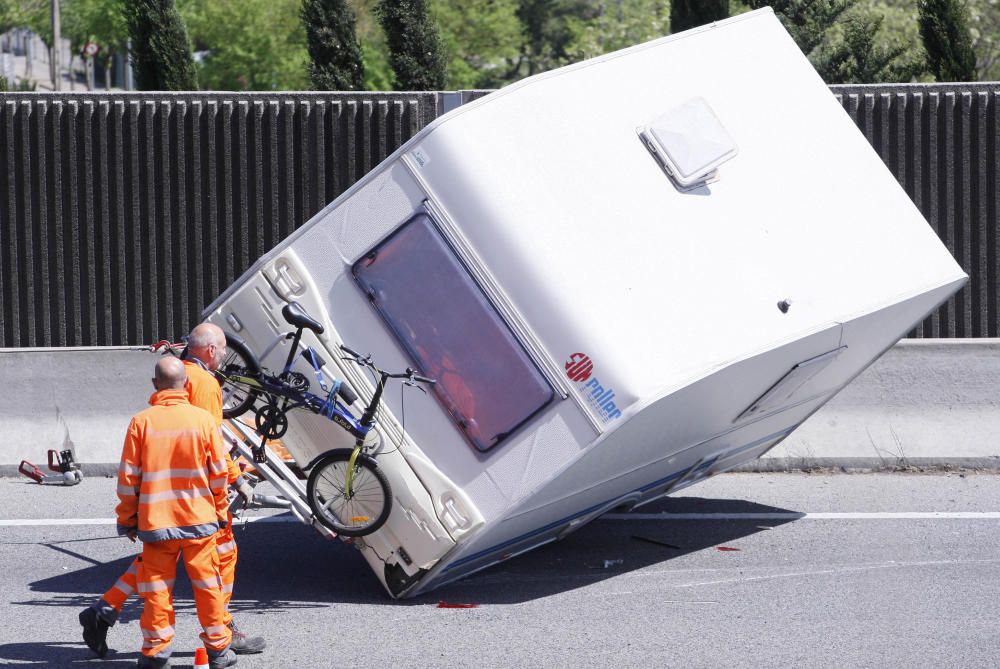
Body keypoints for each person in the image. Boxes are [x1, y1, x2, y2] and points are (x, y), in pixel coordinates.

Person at [80, 324, 266, 657]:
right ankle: (221, 636)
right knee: (219, 563)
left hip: (161, 504)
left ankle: (106, 612)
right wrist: (235, 479)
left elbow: (130, 475)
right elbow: (216, 444)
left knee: (154, 564)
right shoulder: (207, 384)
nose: (223, 356)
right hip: (198, 500)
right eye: (222, 350)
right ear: (210, 350)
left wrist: (129, 515)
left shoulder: (159, 401)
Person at [110, 357, 235, 669]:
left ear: (155, 385)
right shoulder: (203, 421)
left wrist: (127, 520)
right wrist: (219, 511)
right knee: (208, 587)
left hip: (157, 524)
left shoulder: (141, 422)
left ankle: (155, 653)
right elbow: (219, 476)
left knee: (157, 592)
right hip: (201, 521)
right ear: (187, 385)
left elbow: (128, 479)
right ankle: (218, 650)